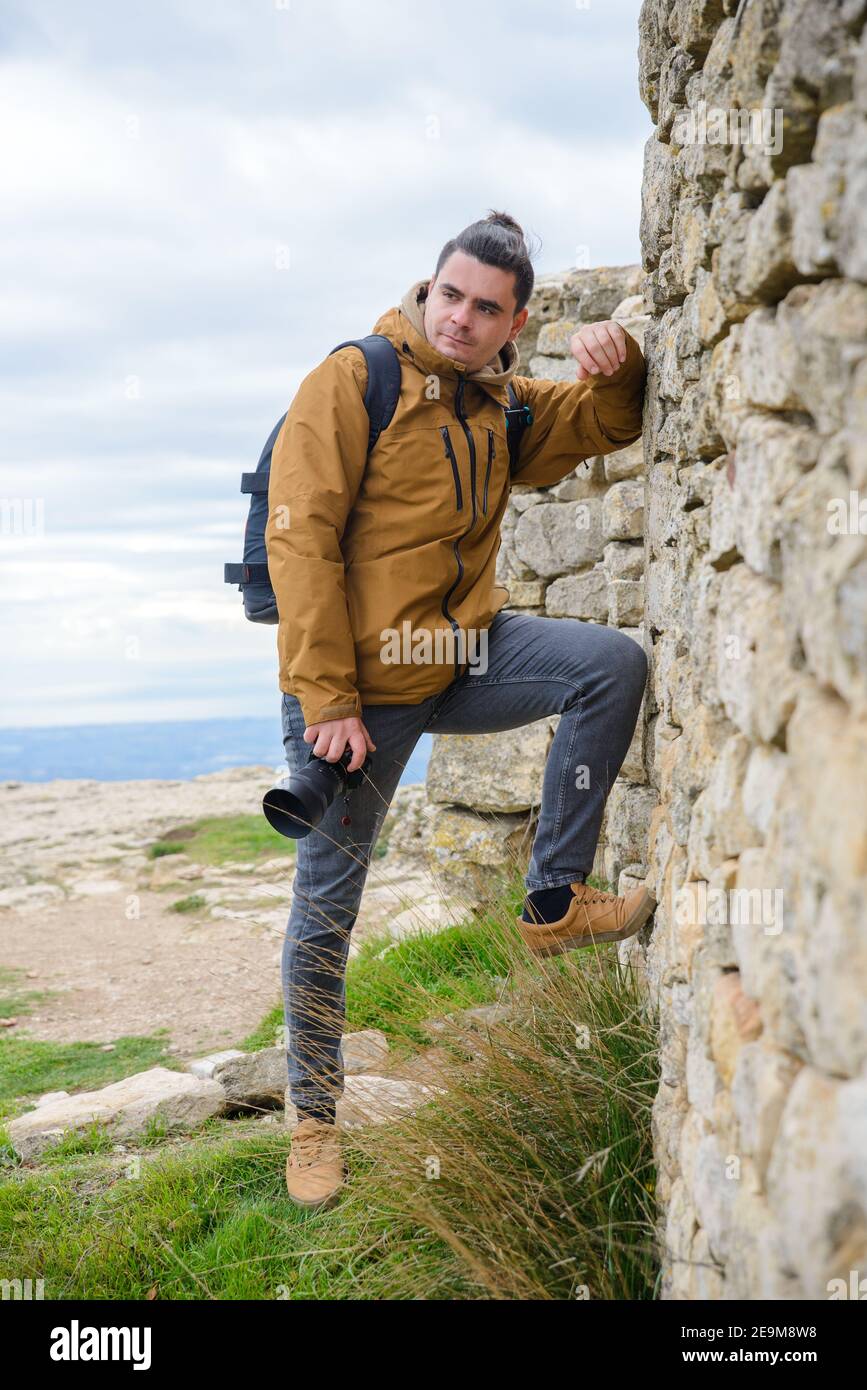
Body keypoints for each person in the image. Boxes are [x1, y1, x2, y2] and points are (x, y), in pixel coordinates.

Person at [265, 210, 656, 1209]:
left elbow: (608, 423)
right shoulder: (356, 380)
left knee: (609, 664)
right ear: (427, 287)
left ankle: (553, 901)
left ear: (514, 319)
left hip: (461, 656)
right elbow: (299, 537)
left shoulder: (502, 407)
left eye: (488, 308)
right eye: (452, 296)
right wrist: (329, 698)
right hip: (355, 692)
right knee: (325, 911)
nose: (463, 319)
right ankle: (313, 1122)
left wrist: (616, 365)